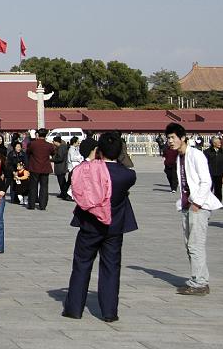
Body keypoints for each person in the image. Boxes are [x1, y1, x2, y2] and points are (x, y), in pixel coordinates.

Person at [62, 132, 138, 322]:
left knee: (81, 265)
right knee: (111, 267)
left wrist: (91, 158)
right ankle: (109, 312)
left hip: (89, 225)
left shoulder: (87, 170)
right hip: (114, 227)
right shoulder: (128, 175)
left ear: (99, 150)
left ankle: (74, 308)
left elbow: (74, 176)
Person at [166, 122, 221, 295]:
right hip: (186, 205)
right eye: (168, 138)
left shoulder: (196, 155)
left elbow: (206, 181)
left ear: (182, 138)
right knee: (189, 244)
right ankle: (199, 278)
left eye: (173, 138)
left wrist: (197, 203)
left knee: (195, 245)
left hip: (198, 206)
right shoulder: (180, 157)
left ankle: (200, 283)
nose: (170, 141)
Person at [26, 130, 56, 210]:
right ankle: (42, 205)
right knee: (44, 187)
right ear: (46, 135)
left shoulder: (33, 144)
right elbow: (53, 153)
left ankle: (31, 204)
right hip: (45, 168)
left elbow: (28, 152)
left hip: (34, 167)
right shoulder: (49, 145)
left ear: (38, 135)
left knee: (33, 186)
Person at [204, 136, 223, 202]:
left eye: (220, 143)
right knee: (209, 188)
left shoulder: (222, 152)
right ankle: (206, 201)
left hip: (219, 173)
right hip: (210, 173)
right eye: (218, 143)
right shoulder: (207, 152)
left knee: (218, 189)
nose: (220, 144)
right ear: (214, 144)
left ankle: (218, 202)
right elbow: (204, 163)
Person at [52, 136, 70, 201]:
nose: (53, 143)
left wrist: (52, 159)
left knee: (61, 181)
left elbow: (60, 158)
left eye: (54, 141)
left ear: (57, 142)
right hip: (62, 167)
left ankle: (64, 194)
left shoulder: (61, 148)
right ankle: (63, 193)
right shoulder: (62, 147)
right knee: (62, 181)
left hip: (60, 167)